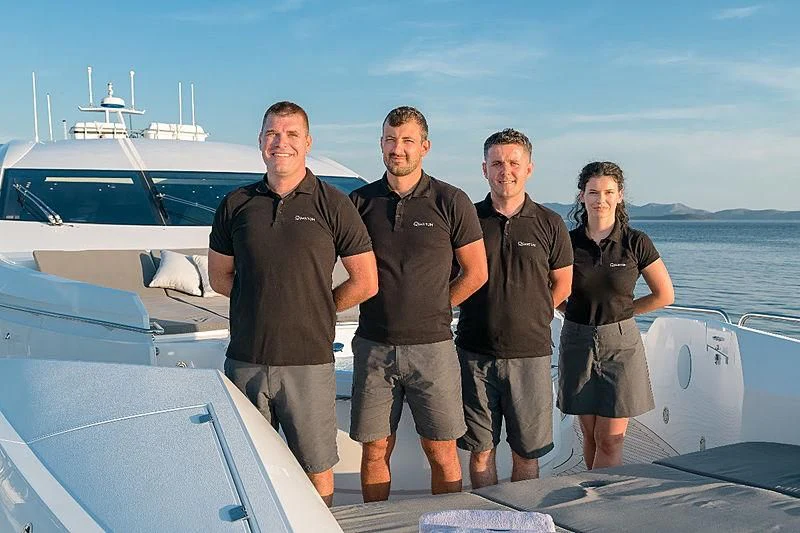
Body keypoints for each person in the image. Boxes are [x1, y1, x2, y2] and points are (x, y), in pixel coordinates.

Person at [207, 101, 378, 506]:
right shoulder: (236, 204)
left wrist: (317, 307)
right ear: (261, 141)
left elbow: (366, 281)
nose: (280, 142)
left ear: (307, 142)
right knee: (247, 466)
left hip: (308, 361)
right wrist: (263, 303)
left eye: (291, 134)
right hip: (246, 360)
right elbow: (220, 278)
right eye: (272, 133)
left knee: (316, 469)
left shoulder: (334, 203)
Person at [349, 106, 488, 502]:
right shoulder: (359, 202)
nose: (398, 148)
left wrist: (436, 307)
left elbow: (476, 272)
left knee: (442, 450)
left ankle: (449, 527)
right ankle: (376, 526)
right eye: (391, 139)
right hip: (373, 345)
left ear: (424, 146)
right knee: (375, 449)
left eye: (407, 140)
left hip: (434, 347)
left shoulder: (451, 200)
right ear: (381, 144)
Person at [455, 129, 573, 488]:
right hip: (474, 353)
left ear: (529, 168)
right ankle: (487, 518)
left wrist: (530, 314)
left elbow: (563, 285)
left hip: (530, 356)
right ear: (484, 169)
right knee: (481, 451)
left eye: (513, 162)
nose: (505, 170)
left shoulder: (551, 223)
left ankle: (522, 521)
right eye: (496, 163)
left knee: (526, 453)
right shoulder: (467, 219)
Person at [557, 161, 674, 470]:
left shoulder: (636, 242)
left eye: (609, 192)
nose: (601, 199)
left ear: (620, 195)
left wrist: (623, 313)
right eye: (593, 192)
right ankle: (592, 494)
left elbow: (665, 294)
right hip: (577, 341)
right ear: (581, 196)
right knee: (591, 435)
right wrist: (566, 310)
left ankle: (601, 504)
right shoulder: (567, 243)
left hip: (621, 345)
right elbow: (548, 289)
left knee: (611, 439)